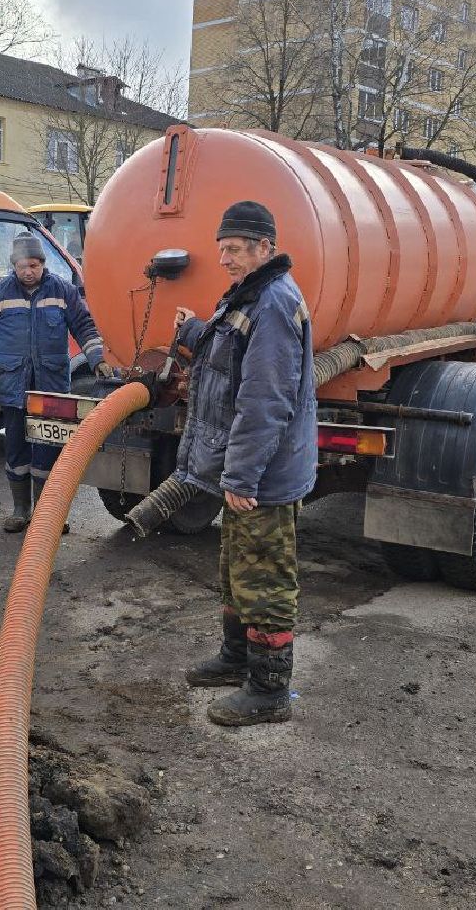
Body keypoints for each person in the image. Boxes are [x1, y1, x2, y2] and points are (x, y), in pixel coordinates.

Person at [171, 201, 316, 726]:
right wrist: (192, 332)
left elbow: (265, 399)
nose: (224, 260)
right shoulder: (250, 297)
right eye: (222, 250)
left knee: (266, 580)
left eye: (233, 250)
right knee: (236, 572)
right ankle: (236, 660)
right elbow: (228, 353)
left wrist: (242, 475)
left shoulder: (274, 303)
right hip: (248, 469)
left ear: (264, 248)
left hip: (265, 476)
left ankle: (270, 690)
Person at [0, 231, 110, 532]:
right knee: (17, 451)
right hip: (13, 387)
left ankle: (47, 515)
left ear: (42, 264)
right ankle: (21, 511)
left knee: (49, 452)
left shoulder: (62, 291)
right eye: (23, 266)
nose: (28, 271)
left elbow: (84, 326)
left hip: (50, 388)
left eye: (34, 265)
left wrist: (97, 359)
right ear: (14, 266)